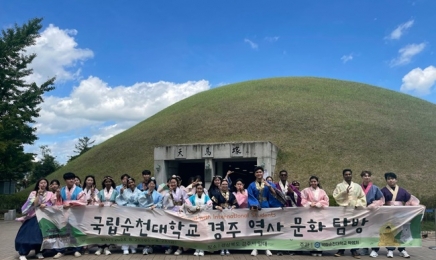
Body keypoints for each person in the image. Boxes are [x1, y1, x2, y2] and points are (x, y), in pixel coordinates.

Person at [381, 172, 419, 259]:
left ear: (396, 180)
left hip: (400, 214)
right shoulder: (383, 191)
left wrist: (415, 206)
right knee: (389, 231)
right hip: (389, 214)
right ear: (386, 180)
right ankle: (390, 250)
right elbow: (380, 202)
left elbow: (410, 200)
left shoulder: (402, 191)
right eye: (389, 179)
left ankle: (402, 249)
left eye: (392, 178)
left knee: (402, 231)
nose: (391, 180)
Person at [15, 178, 54, 260]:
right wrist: (38, 195)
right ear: (38, 184)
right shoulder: (33, 193)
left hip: (44, 216)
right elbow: (34, 204)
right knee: (28, 234)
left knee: (41, 235)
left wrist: (46, 205)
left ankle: (39, 251)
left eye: (45, 182)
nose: (43, 184)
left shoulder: (50, 193)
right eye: (41, 183)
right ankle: (23, 253)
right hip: (33, 215)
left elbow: (52, 204)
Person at [247, 166, 282, 256]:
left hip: (266, 206)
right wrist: (254, 205)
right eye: (257, 172)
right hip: (255, 208)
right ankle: (255, 247)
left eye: (260, 172)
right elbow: (250, 196)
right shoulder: (251, 185)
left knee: (266, 227)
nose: (259, 173)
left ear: (263, 173)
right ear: (255, 174)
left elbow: (275, 194)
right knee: (255, 227)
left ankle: (267, 247)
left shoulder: (268, 183)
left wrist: (269, 186)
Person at [333, 169, 366, 259]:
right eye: (346, 174)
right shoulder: (339, 186)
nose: (348, 175)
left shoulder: (357, 186)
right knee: (342, 230)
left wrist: (357, 204)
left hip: (354, 211)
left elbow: (362, 197)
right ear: (343, 176)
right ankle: (341, 250)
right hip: (343, 210)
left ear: (352, 175)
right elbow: (335, 196)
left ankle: (354, 250)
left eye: (349, 174)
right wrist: (344, 193)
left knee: (353, 230)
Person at [53, 172, 87, 259]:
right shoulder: (61, 190)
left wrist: (71, 203)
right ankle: (61, 250)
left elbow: (83, 201)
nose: (71, 180)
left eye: (73, 178)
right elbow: (58, 203)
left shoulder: (79, 190)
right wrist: (57, 196)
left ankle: (77, 249)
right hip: (64, 212)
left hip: (75, 212)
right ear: (65, 180)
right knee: (63, 231)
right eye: (69, 179)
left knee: (76, 230)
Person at [300, 176, 329, 256]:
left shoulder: (322, 191)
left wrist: (319, 204)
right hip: (309, 213)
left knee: (319, 231)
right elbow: (301, 199)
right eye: (312, 181)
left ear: (318, 182)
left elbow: (326, 201)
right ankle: (312, 249)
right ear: (309, 182)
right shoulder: (306, 190)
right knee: (311, 230)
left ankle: (319, 249)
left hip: (320, 214)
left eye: (315, 181)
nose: (313, 183)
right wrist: (309, 203)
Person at [359, 171, 385, 258]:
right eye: (365, 176)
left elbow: (381, 200)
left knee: (374, 230)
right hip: (361, 212)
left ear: (370, 177)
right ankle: (365, 248)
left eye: (368, 176)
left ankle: (374, 249)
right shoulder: (358, 188)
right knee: (363, 230)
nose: (367, 177)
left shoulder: (375, 188)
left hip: (373, 212)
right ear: (362, 177)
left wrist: (373, 204)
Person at [211, 179, 238, 256]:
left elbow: (236, 204)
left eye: (226, 184)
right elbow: (211, 204)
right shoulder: (216, 194)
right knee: (221, 231)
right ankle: (222, 247)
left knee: (228, 231)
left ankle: (227, 247)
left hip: (229, 215)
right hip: (220, 215)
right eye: (223, 184)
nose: (225, 186)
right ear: (220, 185)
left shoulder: (232, 195)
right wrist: (217, 206)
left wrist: (233, 206)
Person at [184, 183, 212, 256]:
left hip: (204, 217)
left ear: (203, 189)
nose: (199, 190)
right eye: (198, 188)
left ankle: (202, 248)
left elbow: (210, 206)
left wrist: (199, 208)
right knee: (196, 233)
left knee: (203, 232)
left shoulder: (206, 197)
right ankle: (196, 248)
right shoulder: (193, 197)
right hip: (195, 217)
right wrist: (195, 208)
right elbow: (187, 205)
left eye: (200, 189)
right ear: (196, 189)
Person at [162, 177, 188, 255]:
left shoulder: (182, 191)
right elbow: (164, 202)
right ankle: (170, 247)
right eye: (171, 182)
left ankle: (179, 248)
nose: (173, 184)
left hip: (179, 211)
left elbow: (186, 201)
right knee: (171, 229)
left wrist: (182, 208)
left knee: (179, 230)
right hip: (171, 211)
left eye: (174, 182)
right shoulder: (167, 192)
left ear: (177, 183)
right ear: (169, 183)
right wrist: (169, 192)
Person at [116, 177, 141, 255]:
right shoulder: (124, 191)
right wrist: (121, 193)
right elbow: (119, 200)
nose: (131, 184)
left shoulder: (139, 192)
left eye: (132, 182)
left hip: (135, 211)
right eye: (129, 183)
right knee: (126, 229)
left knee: (134, 229)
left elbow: (141, 201)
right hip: (126, 211)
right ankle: (125, 247)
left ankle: (133, 246)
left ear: (134, 182)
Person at [138, 177, 163, 255]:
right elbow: (140, 203)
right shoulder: (142, 193)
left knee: (153, 229)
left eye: (153, 183)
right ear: (147, 184)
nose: (152, 185)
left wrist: (155, 206)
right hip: (145, 214)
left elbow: (161, 203)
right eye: (150, 183)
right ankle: (146, 246)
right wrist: (146, 196)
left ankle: (152, 245)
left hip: (154, 214)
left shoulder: (158, 194)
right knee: (145, 229)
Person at [94, 176, 118, 256]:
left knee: (109, 228)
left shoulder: (115, 192)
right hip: (102, 211)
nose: (108, 183)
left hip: (111, 211)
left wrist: (114, 204)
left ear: (112, 183)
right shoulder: (100, 192)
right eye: (106, 182)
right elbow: (96, 200)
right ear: (104, 183)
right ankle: (100, 247)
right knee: (101, 228)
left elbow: (119, 201)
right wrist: (99, 203)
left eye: (109, 182)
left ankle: (107, 246)